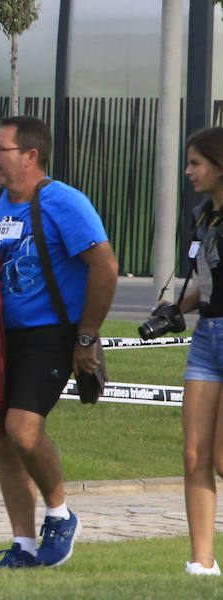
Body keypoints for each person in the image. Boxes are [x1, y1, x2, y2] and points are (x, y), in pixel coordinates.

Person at [0, 116, 118, 568]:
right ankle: (22, 544)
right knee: (1, 437)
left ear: (31, 156)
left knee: (23, 431)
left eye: (2, 149)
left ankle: (59, 514)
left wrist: (87, 336)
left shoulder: (63, 201)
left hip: (51, 336)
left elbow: (105, 267)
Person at [163, 126, 223, 576]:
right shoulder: (205, 216)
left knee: (222, 459)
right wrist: (174, 308)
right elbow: (207, 281)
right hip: (206, 337)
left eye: (196, 163)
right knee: (194, 455)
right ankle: (201, 563)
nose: (187, 172)